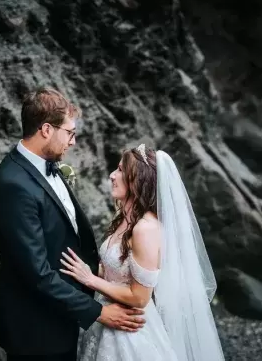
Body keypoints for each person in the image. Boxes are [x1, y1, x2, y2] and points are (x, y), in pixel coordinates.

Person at [0, 87, 145, 361]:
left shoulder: (43, 164)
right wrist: (98, 312)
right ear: (46, 130)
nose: (73, 142)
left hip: (61, 318)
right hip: (37, 331)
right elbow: (35, 273)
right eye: (70, 133)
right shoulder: (14, 186)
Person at [61, 145, 225, 361]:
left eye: (120, 170)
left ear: (137, 180)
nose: (112, 175)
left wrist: (90, 280)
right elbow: (119, 272)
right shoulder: (125, 219)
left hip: (130, 330)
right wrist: (92, 270)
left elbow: (139, 297)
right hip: (108, 321)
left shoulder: (145, 229)